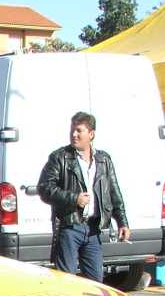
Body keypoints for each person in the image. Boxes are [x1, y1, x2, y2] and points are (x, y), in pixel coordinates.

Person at [37, 111, 130, 283]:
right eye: (72, 130)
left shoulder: (103, 160)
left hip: (93, 229)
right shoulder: (60, 157)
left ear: (91, 134)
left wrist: (122, 222)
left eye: (79, 131)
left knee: (96, 282)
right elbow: (44, 188)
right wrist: (74, 198)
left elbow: (114, 192)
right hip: (70, 227)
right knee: (67, 282)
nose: (74, 134)